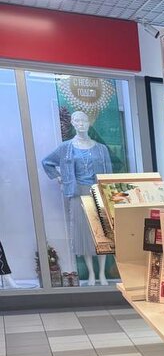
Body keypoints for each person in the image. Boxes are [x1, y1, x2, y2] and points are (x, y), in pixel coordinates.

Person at [40, 111, 113, 286]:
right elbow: (47, 162)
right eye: (77, 121)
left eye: (84, 120)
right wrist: (59, 177)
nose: (81, 124)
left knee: (102, 232)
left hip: (98, 192)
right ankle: (91, 274)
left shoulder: (101, 149)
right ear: (72, 123)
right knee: (83, 233)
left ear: (89, 123)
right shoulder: (66, 148)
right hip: (78, 193)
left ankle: (102, 273)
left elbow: (109, 173)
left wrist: (109, 192)